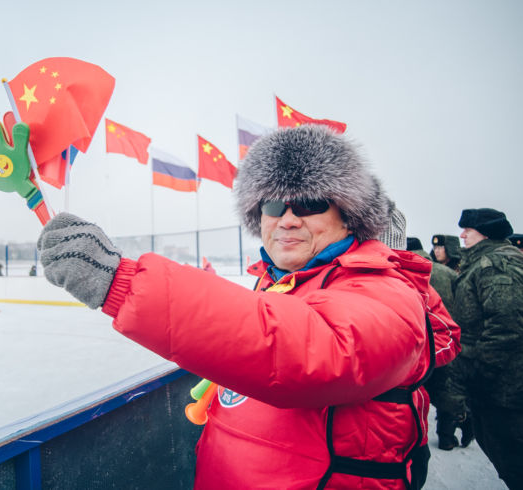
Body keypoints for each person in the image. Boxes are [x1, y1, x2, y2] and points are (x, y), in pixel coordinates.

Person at [38, 125, 445, 489]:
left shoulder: (387, 289)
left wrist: (124, 285)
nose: (286, 219)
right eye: (272, 207)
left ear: (349, 216)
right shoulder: (278, 285)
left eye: (308, 204)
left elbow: (312, 352)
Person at [449, 208, 523, 489]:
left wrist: (480, 373)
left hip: (503, 391)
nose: (462, 235)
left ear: (487, 233)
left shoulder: (495, 264)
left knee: (514, 463)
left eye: (469, 229)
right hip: (496, 389)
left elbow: (507, 328)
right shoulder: (485, 261)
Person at [407, 237, 472, 450]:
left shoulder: (407, 271)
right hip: (448, 338)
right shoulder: (448, 274)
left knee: (423, 389)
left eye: (440, 246)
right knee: (446, 388)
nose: (437, 249)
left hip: (419, 342)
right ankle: (448, 433)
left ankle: (424, 435)